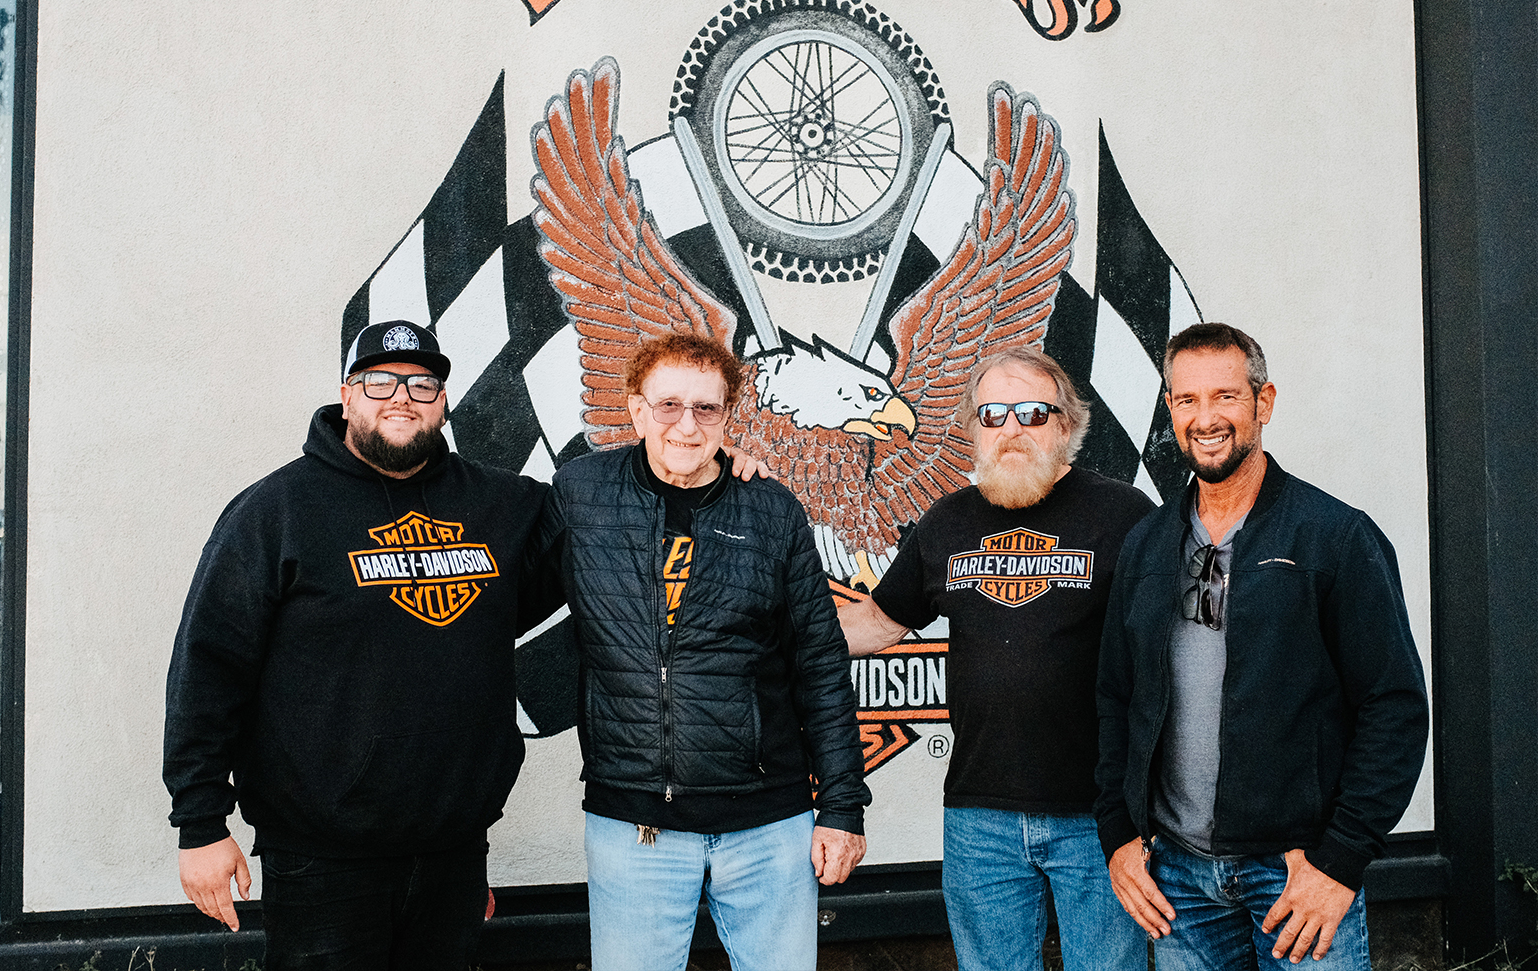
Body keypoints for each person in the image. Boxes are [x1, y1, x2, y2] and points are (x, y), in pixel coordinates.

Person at [163, 319, 567, 971]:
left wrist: (714, 464)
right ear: (346, 395)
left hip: (453, 854)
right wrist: (200, 823)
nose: (400, 396)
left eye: (421, 383)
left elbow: (612, 515)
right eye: (379, 381)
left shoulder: (501, 505)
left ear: (442, 401)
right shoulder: (276, 511)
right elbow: (208, 669)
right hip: (320, 861)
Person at [1095, 322, 1429, 970]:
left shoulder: (1334, 537)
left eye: (1224, 395)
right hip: (1180, 884)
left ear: (1263, 402)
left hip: (1296, 875)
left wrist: (1340, 859)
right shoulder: (1146, 545)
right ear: (1170, 409)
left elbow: (1394, 706)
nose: (1206, 417)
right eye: (1187, 399)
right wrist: (1119, 833)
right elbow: (1115, 696)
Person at [551, 332, 871, 971]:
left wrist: (841, 805)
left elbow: (821, 665)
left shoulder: (771, 508)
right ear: (637, 410)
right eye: (668, 405)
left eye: (707, 409)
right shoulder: (580, 495)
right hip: (634, 822)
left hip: (768, 825)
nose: (687, 425)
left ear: (730, 416)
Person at [837, 346, 1155, 971]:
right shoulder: (946, 523)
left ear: (1067, 425)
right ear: (972, 429)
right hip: (980, 816)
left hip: (1100, 816)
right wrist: (762, 635)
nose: (1011, 429)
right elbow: (877, 621)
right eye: (993, 414)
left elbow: (1168, 657)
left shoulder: (1125, 516)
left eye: (1032, 412)